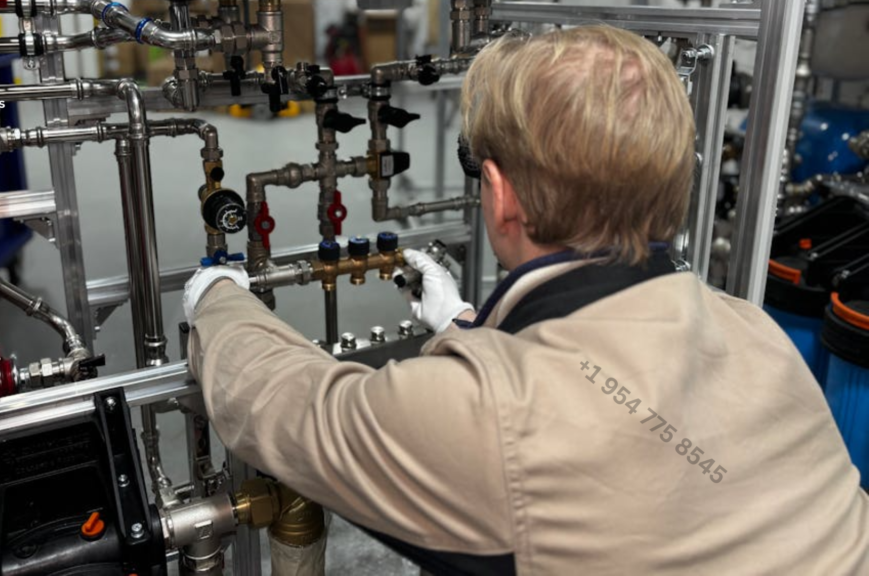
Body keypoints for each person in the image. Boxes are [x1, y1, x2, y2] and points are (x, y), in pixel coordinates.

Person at [182, 25, 869, 575]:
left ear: (501, 193)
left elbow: (284, 406)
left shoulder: (493, 419)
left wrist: (216, 297)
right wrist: (465, 325)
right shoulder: (755, 332)